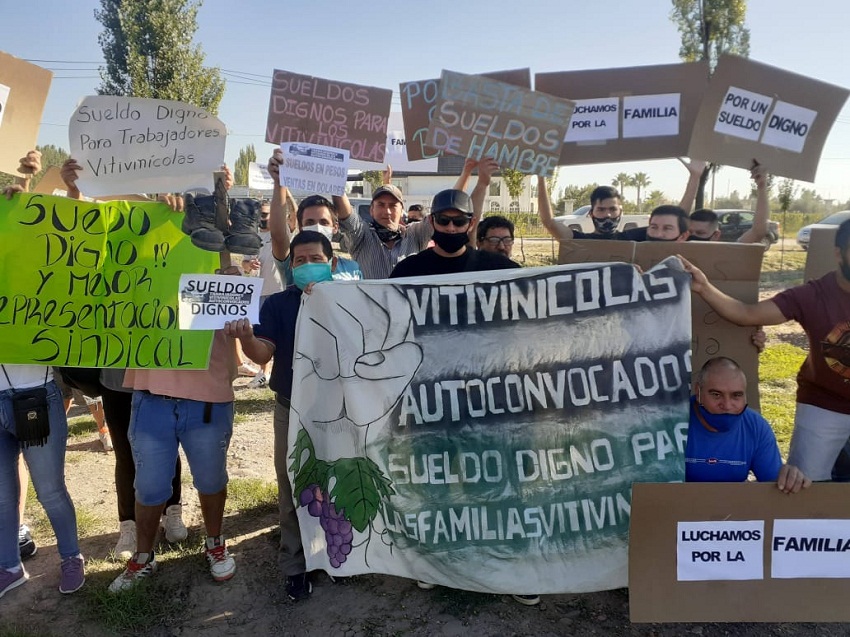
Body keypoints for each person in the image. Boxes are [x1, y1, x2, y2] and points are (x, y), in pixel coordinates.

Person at [59, 158, 188, 561]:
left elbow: (196, 259)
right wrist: (74, 192)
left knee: (166, 448)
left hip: (162, 376)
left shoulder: (165, 256)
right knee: (126, 452)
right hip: (117, 378)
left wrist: (175, 216)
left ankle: (173, 512)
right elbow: (74, 245)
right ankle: (128, 525)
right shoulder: (99, 262)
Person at [680, 219, 850, 482]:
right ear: (839, 253)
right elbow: (747, 313)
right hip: (824, 403)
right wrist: (704, 287)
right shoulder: (813, 295)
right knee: (805, 485)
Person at [223, 230, 337, 602]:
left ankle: (338, 557)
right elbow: (260, 354)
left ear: (331, 263)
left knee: (336, 482)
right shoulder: (275, 305)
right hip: (291, 409)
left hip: (340, 411)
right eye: (299, 261)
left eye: (315, 259)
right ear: (290, 267)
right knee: (292, 488)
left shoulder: (351, 302)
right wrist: (245, 339)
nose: (307, 267)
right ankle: (295, 564)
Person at [1, 167, 85, 599]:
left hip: (36, 393)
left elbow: (69, 246)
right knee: (1, 495)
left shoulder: (37, 271)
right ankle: (9, 566)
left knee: (50, 489)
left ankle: (71, 557)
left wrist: (63, 192)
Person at [686, 357, 810, 492]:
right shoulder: (673, 421)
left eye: (736, 395)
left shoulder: (756, 427)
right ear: (698, 392)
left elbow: (773, 485)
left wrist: (789, 478)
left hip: (732, 508)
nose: (727, 405)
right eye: (716, 395)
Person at [266, 150, 362, 284]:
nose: (317, 226)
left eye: (324, 222)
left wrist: (335, 173)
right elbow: (278, 236)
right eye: (310, 222)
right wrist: (279, 182)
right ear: (301, 227)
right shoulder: (294, 262)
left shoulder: (352, 268)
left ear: (335, 227)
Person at [390, 189, 518, 278]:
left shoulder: (496, 267)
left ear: (471, 223)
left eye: (459, 222)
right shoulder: (408, 269)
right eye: (443, 220)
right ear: (431, 221)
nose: (451, 228)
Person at [688, 163, 771, 244]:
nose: (692, 237)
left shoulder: (728, 253)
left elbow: (757, 232)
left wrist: (761, 185)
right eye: (690, 232)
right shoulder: (680, 249)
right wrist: (694, 176)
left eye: (700, 233)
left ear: (716, 235)